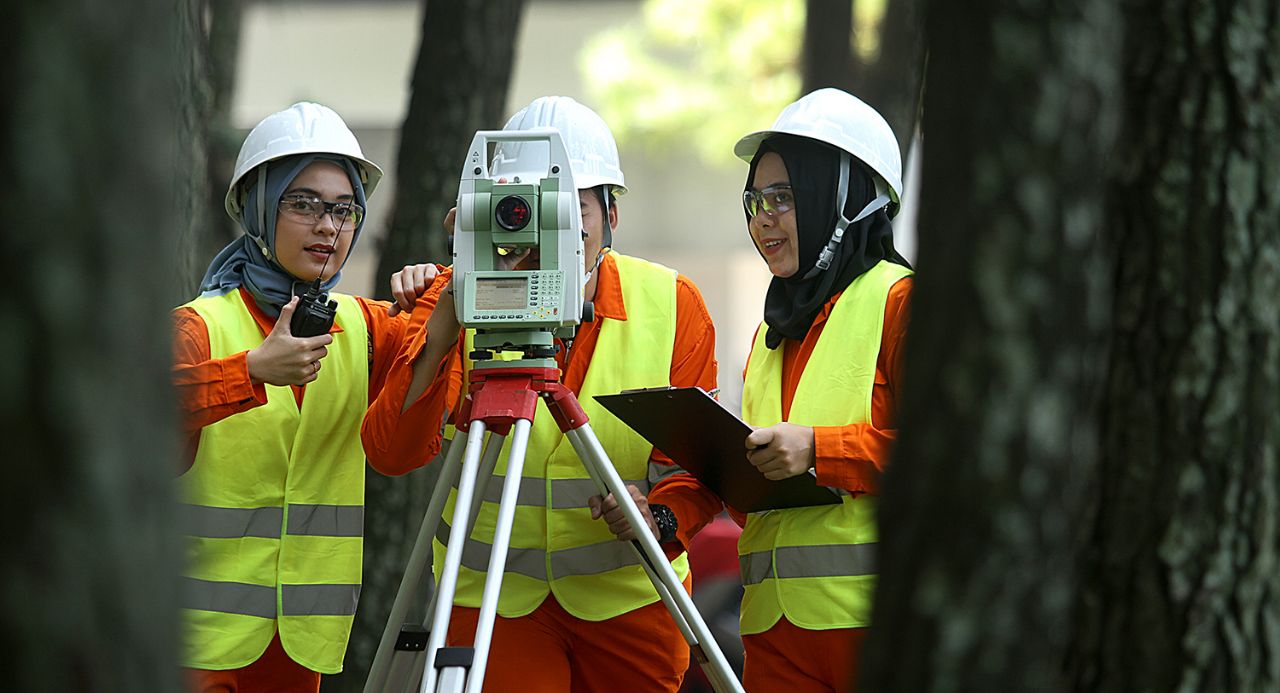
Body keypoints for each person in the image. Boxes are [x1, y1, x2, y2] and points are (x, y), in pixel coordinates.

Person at [361, 95, 719, 692]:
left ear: (610, 213)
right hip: (493, 602)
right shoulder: (455, 298)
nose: (553, 226)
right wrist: (443, 319)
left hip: (629, 598)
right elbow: (392, 452)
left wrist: (656, 513)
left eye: (574, 205)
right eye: (528, 206)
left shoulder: (673, 305)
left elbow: (697, 465)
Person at [597, 87, 914, 691]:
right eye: (755, 200)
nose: (762, 218)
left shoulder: (902, 303)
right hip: (773, 637)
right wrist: (662, 517)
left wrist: (820, 451)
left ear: (844, 201)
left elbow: (945, 461)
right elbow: (746, 492)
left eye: (785, 197)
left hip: (875, 636)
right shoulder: (773, 331)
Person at [173, 102, 454, 692]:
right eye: (302, 203)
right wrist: (251, 369)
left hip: (305, 647)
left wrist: (446, 285)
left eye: (345, 209)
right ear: (257, 208)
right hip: (191, 643)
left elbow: (402, 449)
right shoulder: (197, 328)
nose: (328, 225)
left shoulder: (370, 328)